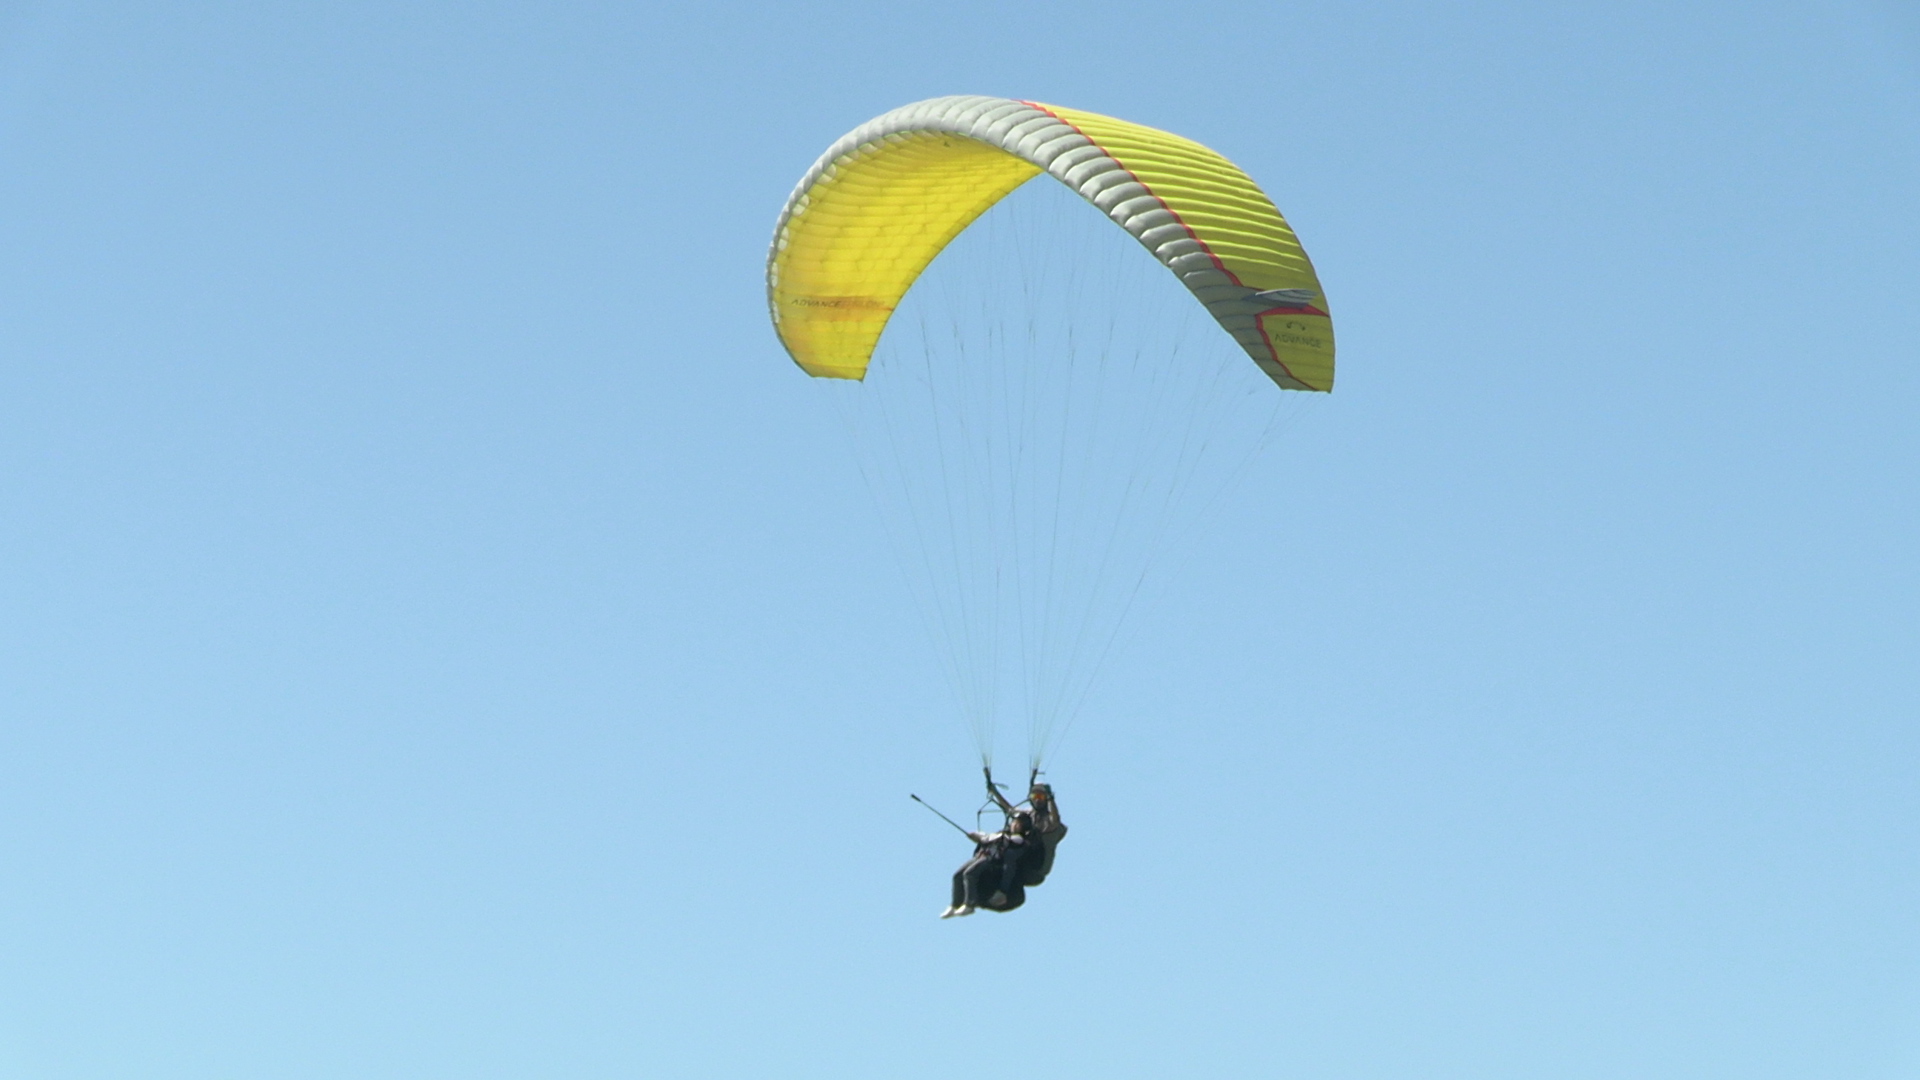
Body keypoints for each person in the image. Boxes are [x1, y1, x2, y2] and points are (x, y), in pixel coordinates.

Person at [940, 813, 1029, 918]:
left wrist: (983, 837)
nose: (1015, 825)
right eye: (1014, 822)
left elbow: (1000, 838)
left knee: (970, 874)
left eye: (1019, 824)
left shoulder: (1018, 839)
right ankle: (954, 905)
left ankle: (969, 904)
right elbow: (989, 838)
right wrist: (978, 837)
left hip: (992, 860)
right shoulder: (1001, 834)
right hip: (981, 856)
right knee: (957, 875)